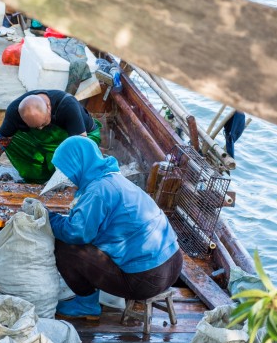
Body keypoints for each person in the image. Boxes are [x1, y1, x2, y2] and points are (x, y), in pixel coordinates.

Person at [43, 136, 183, 319]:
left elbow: (76, 233)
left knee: (64, 245)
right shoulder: (113, 178)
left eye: (66, 170)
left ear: (78, 165)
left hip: (147, 279)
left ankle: (86, 305)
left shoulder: (97, 191)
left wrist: (49, 218)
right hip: (173, 265)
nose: (67, 177)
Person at [0, 90, 101, 183]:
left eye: (43, 123)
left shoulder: (68, 106)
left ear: (49, 107)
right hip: (46, 140)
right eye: (36, 126)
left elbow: (81, 147)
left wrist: (71, 174)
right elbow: (1, 140)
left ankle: (63, 175)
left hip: (83, 137)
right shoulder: (14, 110)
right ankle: (38, 178)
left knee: (75, 159)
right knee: (14, 138)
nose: (40, 128)